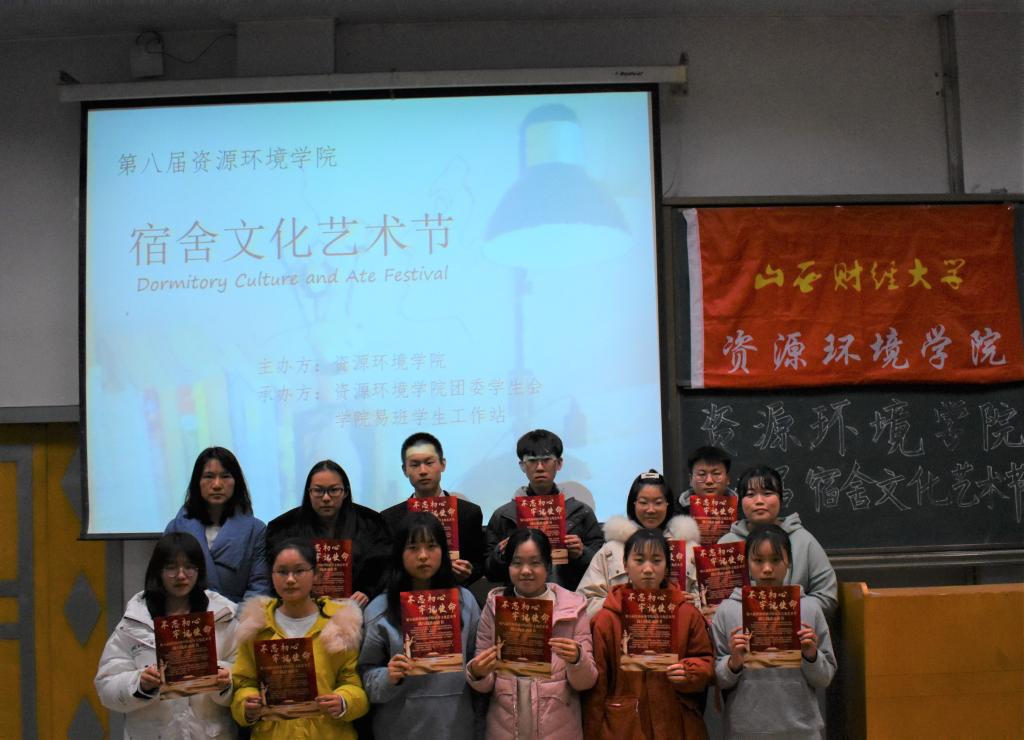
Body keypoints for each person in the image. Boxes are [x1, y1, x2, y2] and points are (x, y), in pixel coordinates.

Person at [95, 532, 237, 738]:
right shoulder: (136, 620)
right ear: (158, 570)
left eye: (189, 567)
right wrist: (140, 683)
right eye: (171, 567)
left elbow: (247, 677)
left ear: (200, 570)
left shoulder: (222, 616)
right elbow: (106, 687)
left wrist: (225, 679)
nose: (181, 575)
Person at [359, 511, 482, 739]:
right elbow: (365, 677)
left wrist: (480, 671)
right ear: (399, 553)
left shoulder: (465, 602)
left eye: (431, 546)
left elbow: (477, 664)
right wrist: (388, 676)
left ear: (443, 551)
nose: (423, 556)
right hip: (399, 728)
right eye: (413, 548)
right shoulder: (380, 609)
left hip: (457, 726)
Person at [231, 538, 369, 739]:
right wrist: (247, 704)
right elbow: (243, 683)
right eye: (282, 571)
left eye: (299, 571)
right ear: (271, 575)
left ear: (316, 574)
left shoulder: (340, 624)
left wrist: (343, 701)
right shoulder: (255, 626)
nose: (290, 579)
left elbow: (354, 683)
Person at [468, 528, 597, 740]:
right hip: (504, 729)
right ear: (508, 566)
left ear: (548, 566)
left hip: (559, 730)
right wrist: (477, 672)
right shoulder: (494, 608)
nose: (526, 571)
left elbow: (586, 682)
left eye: (535, 563)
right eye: (517, 563)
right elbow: (484, 685)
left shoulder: (573, 608)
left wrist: (577, 659)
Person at [584, 528, 713, 739]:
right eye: (639, 560)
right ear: (625, 564)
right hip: (622, 726)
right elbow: (597, 686)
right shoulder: (606, 619)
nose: (648, 569)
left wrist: (689, 672)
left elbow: (706, 661)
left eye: (656, 560)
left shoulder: (686, 613)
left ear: (667, 566)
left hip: (676, 722)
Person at [711, 524, 836, 738]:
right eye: (758, 560)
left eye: (776, 560)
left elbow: (824, 678)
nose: (767, 569)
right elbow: (718, 679)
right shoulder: (728, 610)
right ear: (747, 563)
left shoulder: (809, 608)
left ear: (789, 562)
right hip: (746, 730)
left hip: (801, 729)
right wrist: (733, 663)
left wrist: (812, 656)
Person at [483, 430, 603, 591]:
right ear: (522, 466)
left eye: (546, 460)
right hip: (521, 601)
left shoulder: (581, 512)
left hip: (568, 598)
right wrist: (500, 555)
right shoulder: (504, 515)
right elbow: (490, 573)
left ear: (559, 463)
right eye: (532, 461)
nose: (539, 467)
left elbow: (600, 568)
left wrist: (582, 553)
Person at [265, 459, 391, 606]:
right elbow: (276, 573)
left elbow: (382, 565)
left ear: (345, 492)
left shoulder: (371, 522)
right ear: (309, 493)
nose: (326, 498)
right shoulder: (282, 527)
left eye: (334, 490)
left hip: (357, 604)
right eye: (318, 490)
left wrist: (367, 591)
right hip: (301, 606)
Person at [717, 465, 838, 618]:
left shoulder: (803, 540)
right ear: (740, 501)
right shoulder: (727, 544)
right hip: (738, 631)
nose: (759, 501)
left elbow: (827, 596)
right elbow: (713, 599)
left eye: (767, 493)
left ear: (781, 498)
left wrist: (784, 611)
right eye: (750, 494)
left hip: (795, 629)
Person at [577, 469, 701, 616]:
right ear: (633, 504)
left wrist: (693, 604)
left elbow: (710, 602)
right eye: (643, 502)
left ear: (668, 504)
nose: (651, 510)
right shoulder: (612, 549)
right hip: (624, 629)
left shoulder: (689, 548)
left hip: (677, 627)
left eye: (658, 502)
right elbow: (584, 602)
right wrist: (623, 603)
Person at [164, 446, 269, 604]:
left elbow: (259, 587)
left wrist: (233, 616)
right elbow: (164, 581)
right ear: (197, 482)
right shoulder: (175, 528)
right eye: (209, 476)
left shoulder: (256, 531)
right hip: (189, 615)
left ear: (236, 482)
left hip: (238, 615)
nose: (217, 485)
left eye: (225, 476)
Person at [380, 432, 485, 586]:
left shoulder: (468, 513)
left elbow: (479, 563)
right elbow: (386, 569)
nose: (423, 471)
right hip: (408, 596)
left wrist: (468, 572)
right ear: (404, 470)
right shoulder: (389, 519)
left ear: (442, 464)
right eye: (414, 465)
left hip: (454, 594)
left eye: (429, 463)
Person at [678, 445, 733, 512]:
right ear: (691, 480)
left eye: (716, 473)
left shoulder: (742, 509)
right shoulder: (673, 511)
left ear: (727, 479)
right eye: (702, 474)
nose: (709, 481)